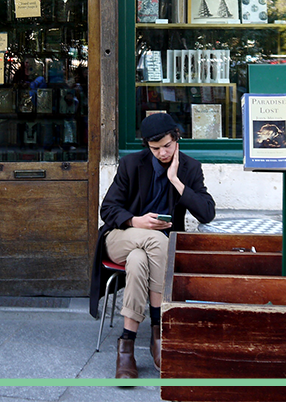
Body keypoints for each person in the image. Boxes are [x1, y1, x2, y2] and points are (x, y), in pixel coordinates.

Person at [89, 113, 216, 379]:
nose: (162, 153)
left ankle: (126, 345)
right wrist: (136, 221)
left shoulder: (189, 168)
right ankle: (159, 329)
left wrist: (176, 181)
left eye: (167, 146)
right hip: (121, 237)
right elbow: (108, 209)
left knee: (139, 260)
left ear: (177, 139)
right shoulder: (131, 164)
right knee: (157, 239)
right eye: (155, 148)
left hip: (148, 254)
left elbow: (207, 213)